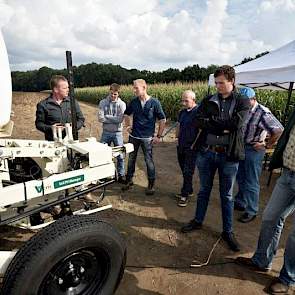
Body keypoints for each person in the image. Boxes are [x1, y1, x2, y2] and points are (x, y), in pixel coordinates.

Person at [181, 65, 251, 252]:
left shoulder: (243, 101)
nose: (218, 86)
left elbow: (236, 124)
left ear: (232, 81)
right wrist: (221, 125)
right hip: (207, 153)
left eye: (222, 83)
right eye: (216, 82)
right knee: (204, 190)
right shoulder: (208, 100)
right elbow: (198, 121)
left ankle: (227, 232)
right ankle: (197, 220)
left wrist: (211, 123)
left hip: (228, 156)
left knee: (226, 195)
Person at [236, 107, 295, 294]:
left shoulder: (262, 111)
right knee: (270, 217)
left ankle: (287, 278)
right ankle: (262, 260)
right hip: (288, 173)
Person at [234, 87, 283, 223]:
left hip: (254, 149)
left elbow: (278, 130)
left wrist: (267, 145)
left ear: (253, 99)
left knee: (251, 181)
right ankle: (240, 202)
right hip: (242, 147)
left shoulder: (262, 112)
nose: (242, 103)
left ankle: (251, 210)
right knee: (241, 176)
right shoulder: (242, 109)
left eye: (245, 101)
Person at [122, 79, 166, 195]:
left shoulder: (155, 103)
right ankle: (129, 181)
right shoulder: (134, 102)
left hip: (147, 138)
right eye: (134, 87)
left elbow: (162, 119)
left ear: (144, 87)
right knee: (131, 159)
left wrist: (159, 135)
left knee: (148, 161)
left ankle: (151, 185)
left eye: (136, 88)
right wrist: (127, 126)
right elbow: (126, 114)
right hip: (134, 136)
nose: (134, 90)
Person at [35, 75, 85, 141]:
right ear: (56, 89)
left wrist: (73, 127)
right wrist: (51, 128)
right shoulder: (43, 105)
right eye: (64, 88)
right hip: (53, 142)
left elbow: (81, 119)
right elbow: (39, 124)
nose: (68, 90)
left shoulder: (72, 102)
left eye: (68, 87)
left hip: (72, 141)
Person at [98, 83, 126, 183]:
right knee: (103, 155)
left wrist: (108, 117)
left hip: (117, 133)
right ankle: (103, 175)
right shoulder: (103, 102)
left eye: (115, 94)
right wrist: (114, 118)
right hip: (106, 132)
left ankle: (121, 175)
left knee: (120, 155)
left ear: (118, 94)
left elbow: (120, 120)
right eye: (111, 93)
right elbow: (100, 118)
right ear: (109, 92)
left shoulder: (122, 104)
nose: (113, 96)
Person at [175, 90, 199, 207]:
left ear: (193, 100)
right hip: (181, 145)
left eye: (186, 101)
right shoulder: (182, 112)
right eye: (183, 100)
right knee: (183, 169)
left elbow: (201, 131)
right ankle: (189, 190)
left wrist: (195, 145)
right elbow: (179, 125)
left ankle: (184, 195)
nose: (184, 103)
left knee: (188, 171)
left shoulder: (198, 112)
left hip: (192, 147)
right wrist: (177, 137)